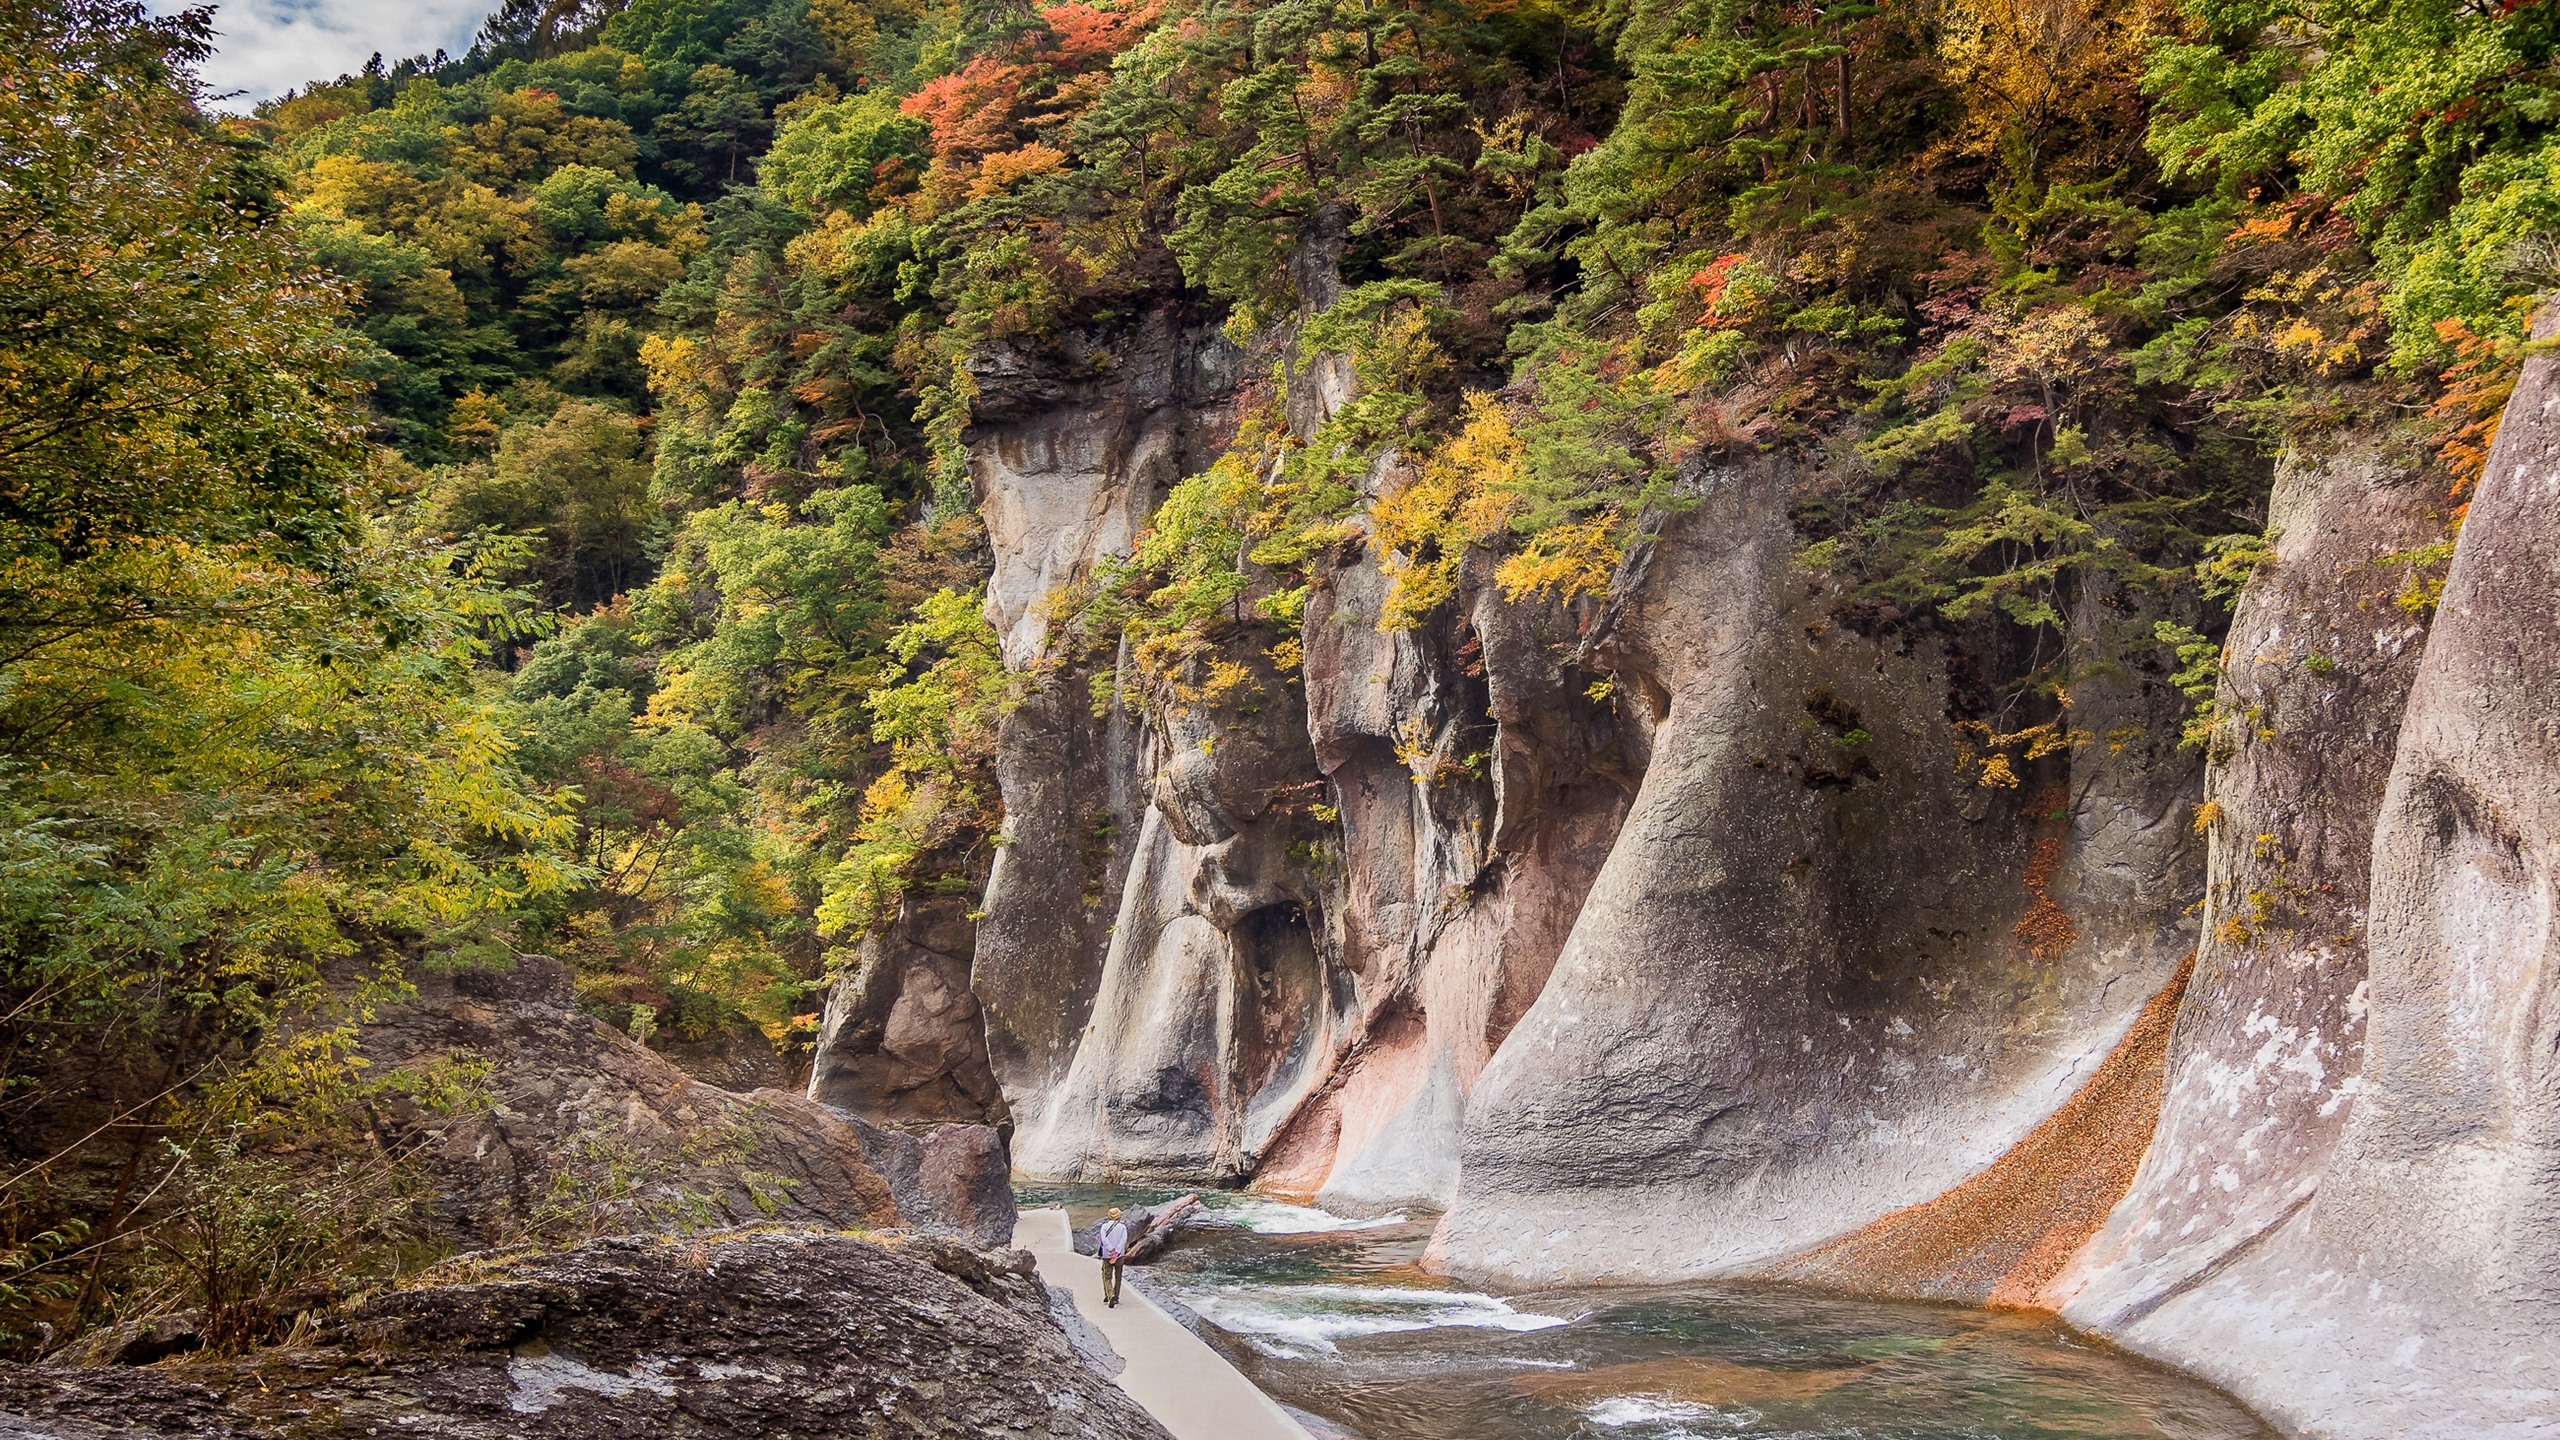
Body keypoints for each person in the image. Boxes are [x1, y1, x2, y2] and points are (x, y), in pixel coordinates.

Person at [1097, 1207, 1130, 1307]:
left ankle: (1109, 1294)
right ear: (1118, 1216)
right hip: (1119, 1255)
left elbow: (1104, 1240)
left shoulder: (1104, 1227)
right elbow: (1123, 1240)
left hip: (1107, 1255)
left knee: (1107, 1277)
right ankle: (1116, 1296)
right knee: (1118, 1276)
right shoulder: (1123, 1227)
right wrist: (1116, 1252)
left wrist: (1111, 1250)